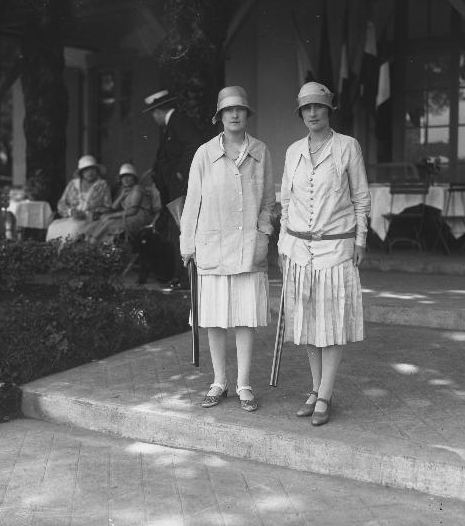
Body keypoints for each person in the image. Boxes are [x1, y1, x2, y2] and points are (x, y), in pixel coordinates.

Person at [277, 82, 371, 426]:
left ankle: (326, 395)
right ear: (300, 113)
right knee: (307, 324)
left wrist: (360, 241)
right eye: (306, 109)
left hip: (335, 249)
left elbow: (361, 198)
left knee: (331, 325)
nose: (312, 114)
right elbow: (285, 203)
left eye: (318, 107)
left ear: (329, 110)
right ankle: (315, 390)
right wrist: (282, 245)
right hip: (299, 249)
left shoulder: (348, 147)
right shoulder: (292, 152)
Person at [180, 86, 275, 412]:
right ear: (219, 117)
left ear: (247, 115)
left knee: (244, 317)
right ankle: (219, 381)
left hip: (248, 246)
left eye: (240, 110)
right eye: (228, 110)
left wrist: (264, 230)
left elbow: (268, 201)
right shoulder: (204, 153)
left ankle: (244, 384)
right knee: (215, 318)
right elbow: (192, 202)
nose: (235, 115)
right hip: (213, 245)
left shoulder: (261, 151)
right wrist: (187, 244)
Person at [144, 89, 203, 288]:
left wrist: (180, 173)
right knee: (178, 232)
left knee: (183, 232)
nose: (153, 117)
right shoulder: (173, 124)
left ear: (159, 111)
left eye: (153, 113)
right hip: (174, 190)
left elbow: (194, 144)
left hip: (181, 189)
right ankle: (180, 277)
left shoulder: (178, 121)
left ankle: (186, 280)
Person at [83, 162, 154, 244]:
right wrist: (121, 196)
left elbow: (133, 211)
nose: (125, 179)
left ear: (134, 178)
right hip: (128, 215)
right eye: (123, 177)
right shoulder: (123, 189)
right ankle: (91, 243)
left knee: (110, 224)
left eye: (129, 176)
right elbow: (113, 208)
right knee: (103, 222)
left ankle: (96, 244)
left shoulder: (137, 189)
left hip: (140, 216)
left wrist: (110, 216)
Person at [45, 155, 111, 242]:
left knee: (74, 230)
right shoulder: (72, 184)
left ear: (97, 171)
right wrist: (71, 211)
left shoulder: (103, 185)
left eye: (93, 169)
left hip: (91, 220)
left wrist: (90, 214)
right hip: (71, 218)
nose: (90, 172)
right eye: (86, 170)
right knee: (53, 228)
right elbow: (61, 203)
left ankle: (69, 254)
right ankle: (56, 255)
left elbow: (108, 207)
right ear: (81, 172)